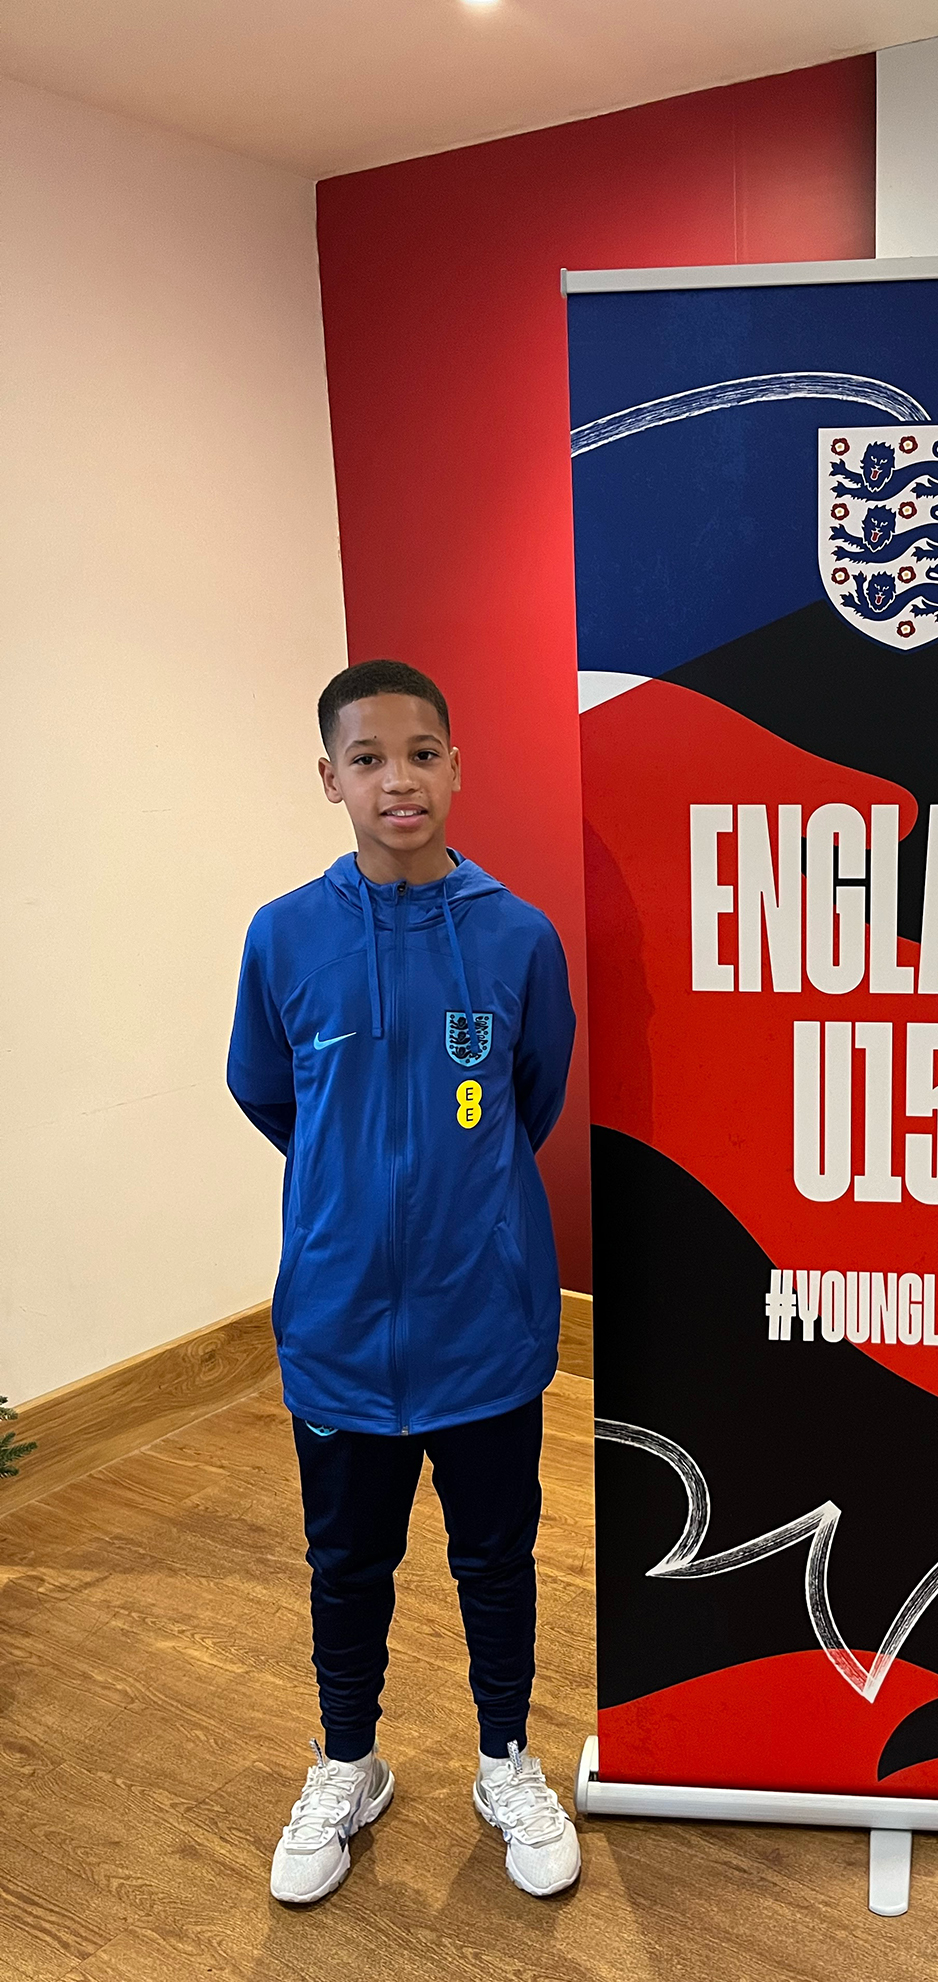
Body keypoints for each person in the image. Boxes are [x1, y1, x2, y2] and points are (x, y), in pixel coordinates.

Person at [227, 658, 579, 1906]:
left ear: (456, 767)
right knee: (346, 1563)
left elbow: (528, 1098)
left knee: (496, 1556)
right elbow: (270, 1095)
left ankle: (504, 1759)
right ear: (330, 779)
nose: (398, 780)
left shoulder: (516, 936)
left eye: (421, 753)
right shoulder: (284, 936)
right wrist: (353, 1207)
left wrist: (454, 1202)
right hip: (334, 1325)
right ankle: (347, 1762)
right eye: (368, 759)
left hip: (482, 1317)